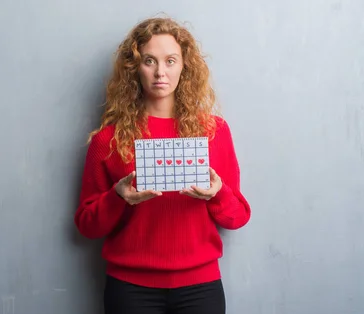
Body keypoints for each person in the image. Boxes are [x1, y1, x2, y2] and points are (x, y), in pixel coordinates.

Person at [74, 16, 251, 314]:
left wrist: (217, 194)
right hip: (130, 289)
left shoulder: (214, 132)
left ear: (184, 66)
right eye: (149, 61)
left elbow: (237, 217)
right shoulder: (108, 140)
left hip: (200, 286)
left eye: (170, 61)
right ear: (135, 68)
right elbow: (86, 225)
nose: (160, 72)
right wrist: (117, 198)